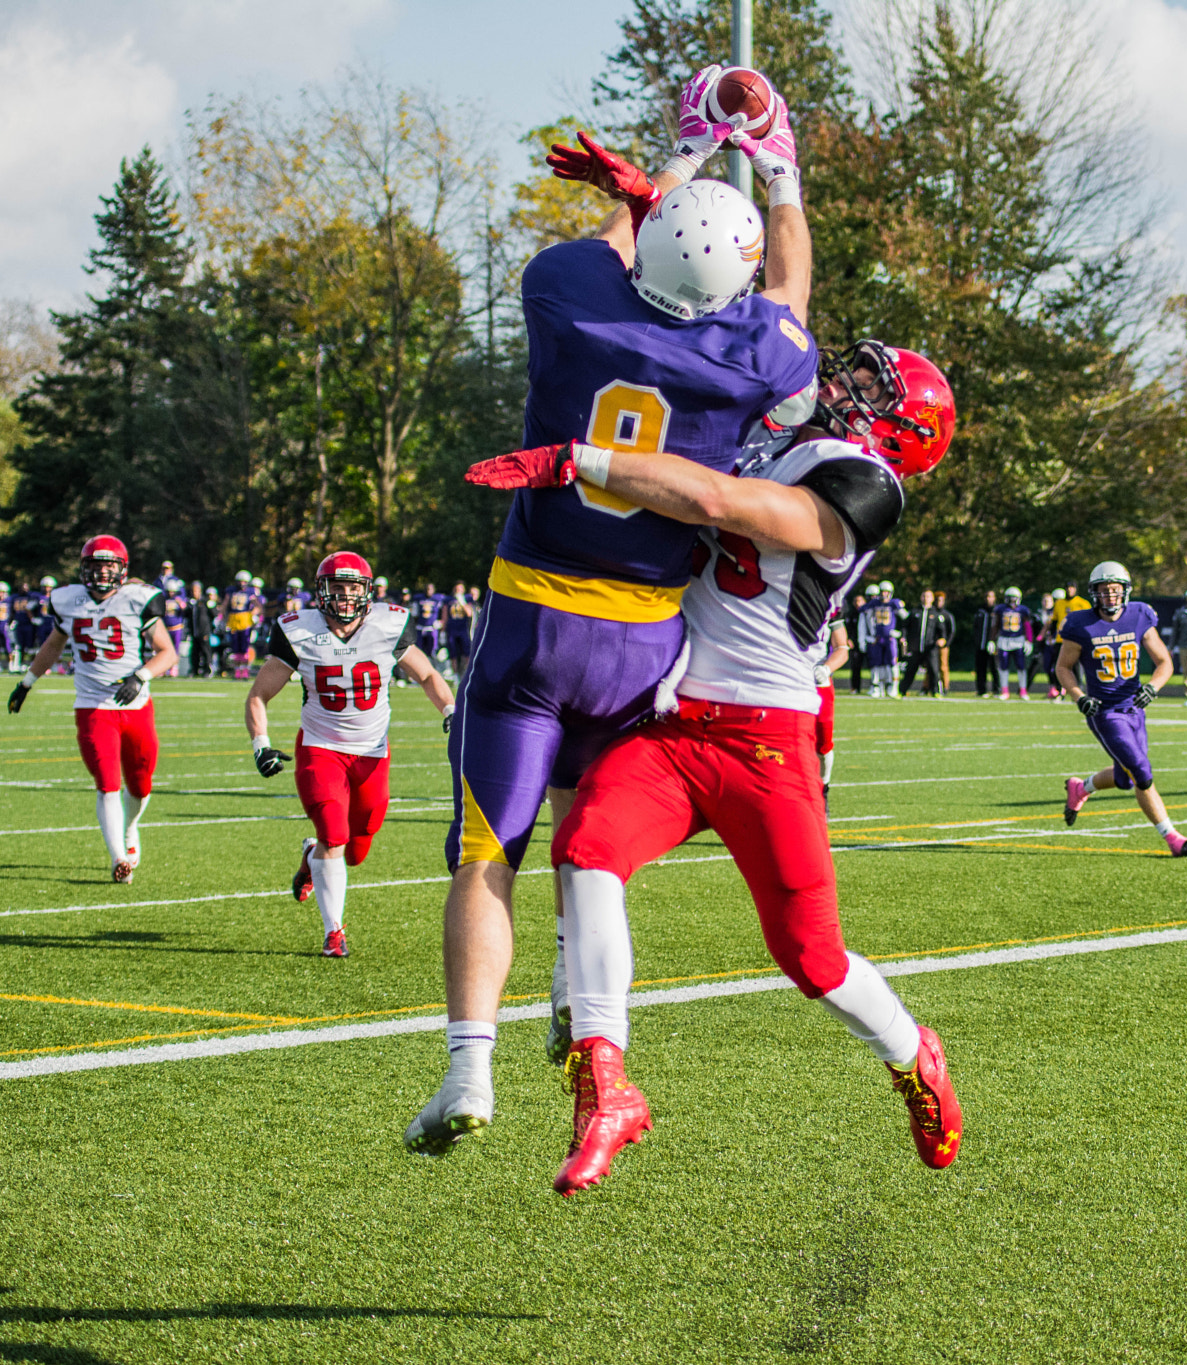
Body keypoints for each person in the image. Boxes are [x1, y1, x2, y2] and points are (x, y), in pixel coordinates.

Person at [404, 76, 817, 1157]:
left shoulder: (568, 292)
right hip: (642, 638)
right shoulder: (753, 354)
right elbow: (789, 296)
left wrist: (674, 161)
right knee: (590, 838)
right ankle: (567, 991)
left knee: (488, 846)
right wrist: (776, 171)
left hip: (532, 612)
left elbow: (613, 244)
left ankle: (466, 1070)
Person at [445, 339, 963, 1193]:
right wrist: (754, 200)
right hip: (678, 724)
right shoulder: (779, 434)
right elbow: (768, 319)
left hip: (768, 741)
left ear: (901, 431)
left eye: (870, 386)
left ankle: (913, 1057)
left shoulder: (864, 484)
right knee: (584, 846)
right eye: (854, 370)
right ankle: (606, 1081)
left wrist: (585, 460)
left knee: (812, 957)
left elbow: (717, 497)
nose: (843, 384)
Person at [246, 552, 456, 957]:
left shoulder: (388, 624)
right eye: (336, 588)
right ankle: (334, 931)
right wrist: (261, 743)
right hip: (320, 748)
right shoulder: (297, 629)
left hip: (372, 752)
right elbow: (259, 694)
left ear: (367, 592)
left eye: (352, 588)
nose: (344, 596)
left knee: (357, 850)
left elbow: (428, 674)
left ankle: (312, 855)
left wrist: (449, 710)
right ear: (320, 592)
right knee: (334, 835)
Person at [6, 536, 178, 883]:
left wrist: (140, 676)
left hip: (136, 705)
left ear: (121, 569)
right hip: (92, 705)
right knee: (107, 783)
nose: (101, 572)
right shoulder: (68, 600)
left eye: (108, 565)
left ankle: (130, 829)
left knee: (141, 784)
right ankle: (118, 856)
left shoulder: (137, 599)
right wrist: (26, 683)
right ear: (84, 568)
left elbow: (167, 653)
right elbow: (54, 644)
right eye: (95, 565)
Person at [1058, 562, 1187, 857]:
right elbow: (1063, 667)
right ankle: (1173, 838)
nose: (1110, 596)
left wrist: (1153, 687)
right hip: (1104, 712)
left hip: (1134, 708)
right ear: (1094, 593)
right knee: (1142, 772)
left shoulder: (1138, 615)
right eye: (1104, 591)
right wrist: (1078, 696)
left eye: (1115, 590)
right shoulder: (1079, 624)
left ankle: (1080, 788)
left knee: (1125, 779)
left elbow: (1164, 662)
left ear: (1125, 591)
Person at [816, 612, 850, 795]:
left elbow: (842, 648)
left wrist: (826, 668)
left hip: (817, 680)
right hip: (785, 680)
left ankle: (824, 788)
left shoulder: (830, 604)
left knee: (823, 741)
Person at [900, 588, 951, 697]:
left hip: (930, 647)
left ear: (932, 599)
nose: (925, 598)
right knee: (910, 670)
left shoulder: (936, 614)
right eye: (924, 596)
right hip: (915, 647)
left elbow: (942, 631)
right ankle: (902, 691)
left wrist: (942, 639)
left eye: (928, 596)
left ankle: (935, 691)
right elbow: (905, 626)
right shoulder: (914, 612)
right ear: (921, 597)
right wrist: (903, 637)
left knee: (933, 670)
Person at [858, 581, 904, 697]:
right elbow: (862, 611)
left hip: (889, 638)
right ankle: (878, 687)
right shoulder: (873, 604)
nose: (884, 594)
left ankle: (893, 686)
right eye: (882, 592)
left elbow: (906, 618)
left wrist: (901, 633)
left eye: (886, 592)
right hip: (877, 639)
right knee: (876, 663)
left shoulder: (894, 604)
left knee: (892, 663)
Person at [993, 587, 1035, 700]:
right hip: (1004, 640)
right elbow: (996, 625)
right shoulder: (1000, 609)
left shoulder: (1023, 610)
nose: (1012, 601)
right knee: (1003, 666)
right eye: (1010, 599)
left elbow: (1027, 626)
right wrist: (992, 640)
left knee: (1021, 666)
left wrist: (1029, 640)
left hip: (1018, 640)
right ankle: (1005, 691)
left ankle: (1023, 690)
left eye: (1014, 599)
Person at [222, 571, 261, 678]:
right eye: (240, 581)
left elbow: (257, 606)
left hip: (244, 619)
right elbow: (225, 604)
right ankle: (237, 669)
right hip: (233, 619)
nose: (242, 583)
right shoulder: (231, 591)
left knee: (244, 646)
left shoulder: (250, 592)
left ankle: (244, 669)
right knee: (235, 646)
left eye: (244, 581)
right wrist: (223, 617)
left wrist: (252, 614)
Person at [444, 581, 476, 678]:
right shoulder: (448, 600)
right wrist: (442, 630)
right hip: (452, 629)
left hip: (463, 629)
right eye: (456, 589)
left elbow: (469, 613)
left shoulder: (467, 598)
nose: (458, 591)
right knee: (453, 654)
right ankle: (455, 676)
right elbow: (445, 615)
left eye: (460, 589)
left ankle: (468, 674)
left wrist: (462, 602)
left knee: (467, 653)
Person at [972, 590, 999, 696]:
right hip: (981, 645)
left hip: (993, 645)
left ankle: (997, 690)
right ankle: (981, 690)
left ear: (994, 598)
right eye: (987, 596)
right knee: (980, 668)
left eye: (991, 596)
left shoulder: (997, 611)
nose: (988, 599)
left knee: (994, 668)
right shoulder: (980, 611)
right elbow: (975, 627)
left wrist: (994, 641)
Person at [934, 590, 954, 688]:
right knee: (930, 667)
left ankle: (945, 686)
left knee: (943, 666)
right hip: (931, 644)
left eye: (941, 600)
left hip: (943, 645)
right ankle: (927, 686)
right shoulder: (931, 613)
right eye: (937, 600)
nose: (939, 602)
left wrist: (946, 643)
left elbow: (952, 631)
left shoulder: (947, 615)